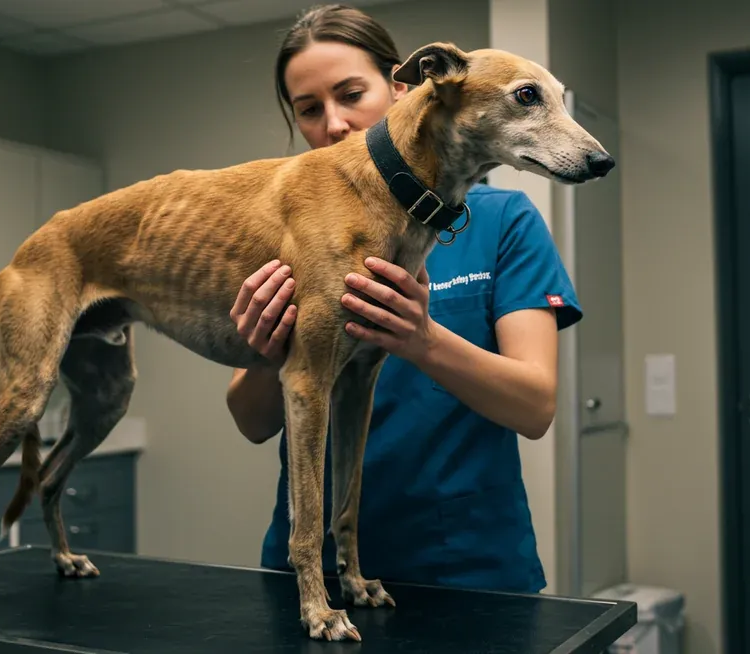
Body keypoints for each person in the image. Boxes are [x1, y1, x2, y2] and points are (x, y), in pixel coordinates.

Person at [225, 4, 582, 594]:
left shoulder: (502, 221)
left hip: (464, 567)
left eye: (351, 93)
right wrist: (268, 351)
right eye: (309, 109)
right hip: (311, 578)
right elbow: (250, 422)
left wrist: (423, 340)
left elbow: (534, 407)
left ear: (402, 88)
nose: (334, 123)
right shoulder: (297, 224)